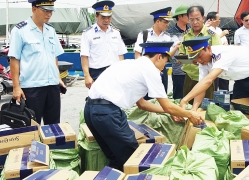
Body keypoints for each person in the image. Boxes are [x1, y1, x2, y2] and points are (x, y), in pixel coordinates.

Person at [84, 41, 204, 171]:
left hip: (91, 111)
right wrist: (189, 114)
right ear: (159, 57)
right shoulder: (151, 70)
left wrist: (170, 112)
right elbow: (167, 106)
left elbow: (142, 104)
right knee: (134, 161)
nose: (164, 66)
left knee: (116, 159)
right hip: (107, 113)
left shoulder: (130, 64)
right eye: (165, 60)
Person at [8, 0, 65, 125]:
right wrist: (16, 87)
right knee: (32, 126)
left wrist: (58, 78)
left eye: (51, 11)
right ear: (34, 9)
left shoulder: (51, 30)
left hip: (52, 86)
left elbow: (54, 56)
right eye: (45, 11)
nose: (49, 14)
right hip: (32, 87)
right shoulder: (20, 30)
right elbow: (14, 60)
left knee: (54, 125)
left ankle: (52, 147)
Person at [179, 36, 249, 111]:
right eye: (195, 59)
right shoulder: (204, 62)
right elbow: (201, 87)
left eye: (199, 56)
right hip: (241, 79)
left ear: (208, 48)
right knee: (239, 108)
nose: (198, 60)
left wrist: (185, 100)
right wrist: (194, 109)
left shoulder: (222, 54)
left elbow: (208, 80)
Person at [179, 6, 221, 104]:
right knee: (188, 106)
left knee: (207, 106)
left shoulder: (211, 35)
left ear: (203, 18)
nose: (195, 22)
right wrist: (189, 59)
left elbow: (218, 55)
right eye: (191, 20)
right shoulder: (186, 36)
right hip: (190, 77)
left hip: (207, 77)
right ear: (188, 20)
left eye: (197, 19)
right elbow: (181, 55)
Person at [80, 0, 127, 88]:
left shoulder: (116, 33)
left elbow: (120, 54)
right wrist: (87, 76)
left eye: (109, 17)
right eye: (103, 17)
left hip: (115, 71)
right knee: (99, 100)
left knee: (115, 98)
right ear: (96, 16)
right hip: (97, 72)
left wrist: (122, 71)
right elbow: (84, 56)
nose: (106, 20)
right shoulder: (88, 33)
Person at [134, 7, 180, 94]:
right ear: (157, 21)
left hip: (162, 70)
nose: (168, 24)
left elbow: (168, 55)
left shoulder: (167, 36)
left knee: (161, 95)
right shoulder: (144, 34)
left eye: (168, 22)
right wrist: (142, 69)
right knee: (146, 97)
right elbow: (137, 54)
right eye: (165, 22)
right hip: (146, 70)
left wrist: (176, 47)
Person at [166, 5, 190, 99]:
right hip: (179, 71)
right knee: (179, 96)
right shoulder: (170, 33)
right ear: (180, 16)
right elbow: (174, 54)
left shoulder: (192, 31)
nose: (190, 17)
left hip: (192, 71)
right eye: (187, 15)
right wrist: (191, 60)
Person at [205, 11, 229, 91]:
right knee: (214, 81)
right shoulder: (207, 29)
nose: (220, 21)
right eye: (218, 19)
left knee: (224, 81)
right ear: (212, 20)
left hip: (223, 56)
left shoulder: (218, 29)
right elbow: (211, 42)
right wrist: (222, 34)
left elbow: (224, 41)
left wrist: (226, 43)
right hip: (213, 58)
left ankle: (224, 98)